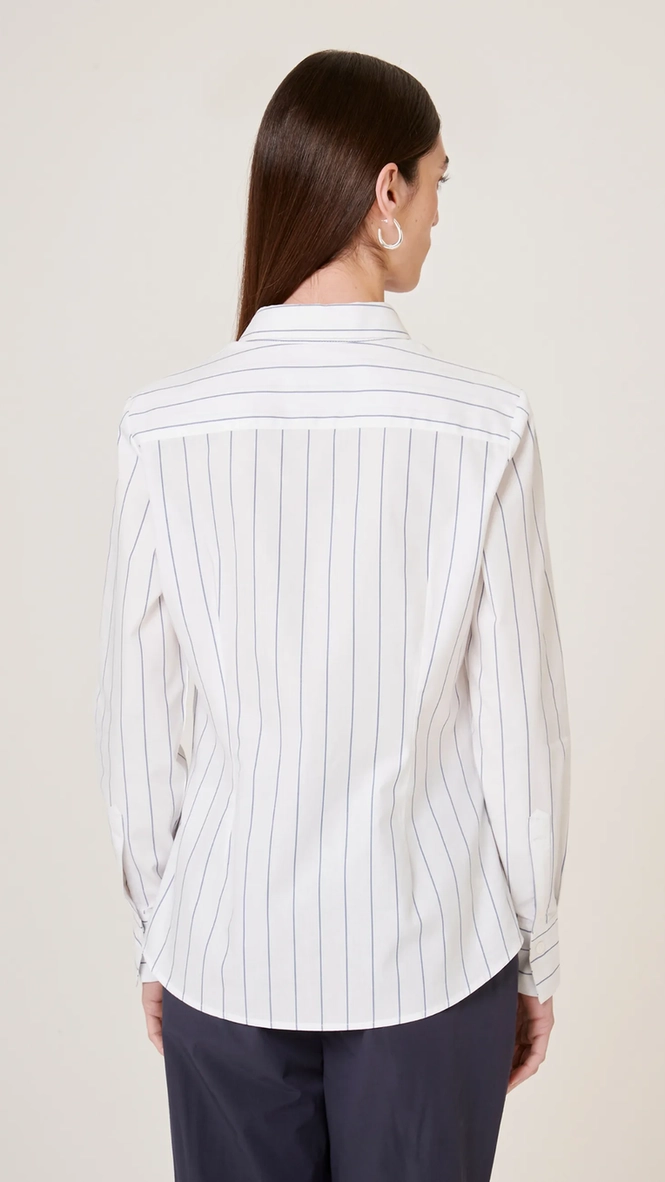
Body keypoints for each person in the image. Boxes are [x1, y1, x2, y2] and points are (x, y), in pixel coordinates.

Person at [94, 47, 571, 1182]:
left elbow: (137, 730)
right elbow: (520, 738)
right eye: (439, 181)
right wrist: (535, 952)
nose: (440, 213)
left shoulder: (162, 430)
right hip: (432, 960)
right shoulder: (484, 427)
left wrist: (163, 927)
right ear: (385, 190)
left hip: (222, 960)